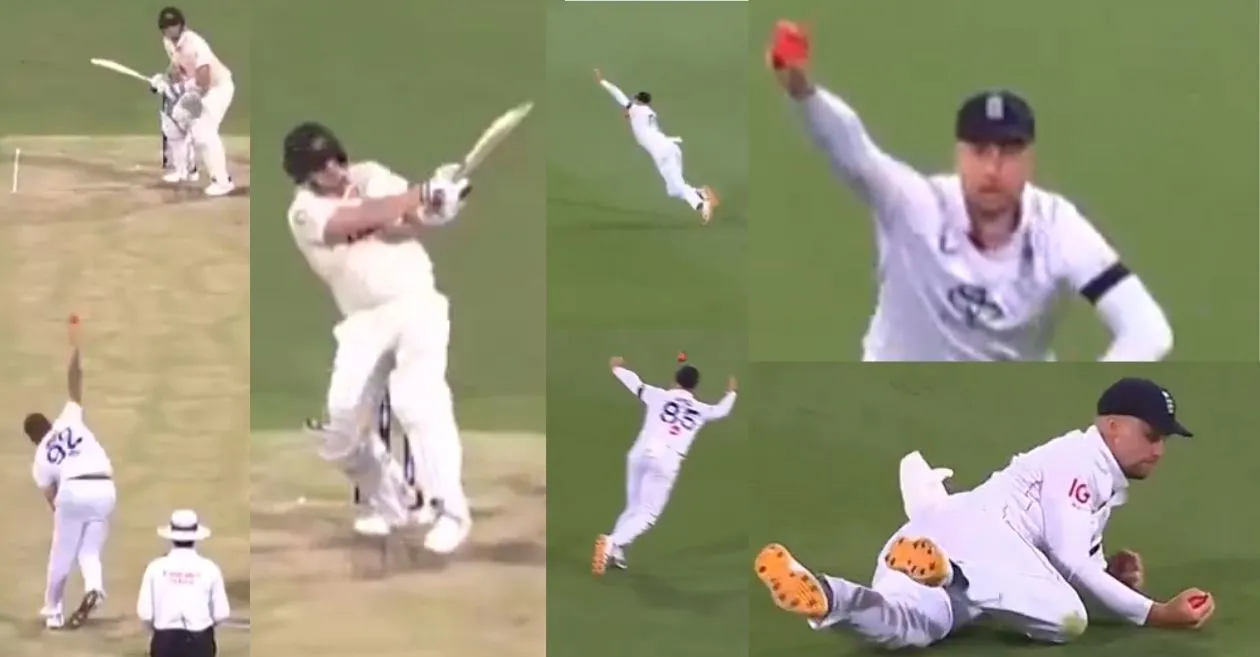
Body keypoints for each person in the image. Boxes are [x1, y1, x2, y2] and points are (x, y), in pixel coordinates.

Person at [766, 21, 1172, 361]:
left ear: (1030, 160)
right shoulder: (913, 205)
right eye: (979, 151)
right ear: (958, 155)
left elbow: (1148, 330)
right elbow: (853, 152)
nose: (992, 169)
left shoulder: (1058, 228)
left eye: (1009, 151)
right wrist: (803, 93)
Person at [754, 377, 1216, 648]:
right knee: (1066, 620)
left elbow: (1065, 558)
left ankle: (829, 595)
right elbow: (1071, 564)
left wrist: (1110, 573)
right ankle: (952, 574)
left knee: (911, 624)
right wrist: (1156, 613)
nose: (1159, 450)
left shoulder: (1090, 471)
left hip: (930, 536)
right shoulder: (1081, 464)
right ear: (1113, 427)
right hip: (978, 542)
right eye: (1152, 436)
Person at [284, 121, 474, 554]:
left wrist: (437, 208)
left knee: (417, 402)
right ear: (304, 173)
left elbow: (406, 224)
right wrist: (422, 193)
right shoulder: (303, 212)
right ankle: (396, 502)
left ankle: (451, 513)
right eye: (322, 166)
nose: (335, 170)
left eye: (337, 158)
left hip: (415, 302)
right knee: (341, 431)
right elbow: (354, 221)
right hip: (362, 322)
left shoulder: (370, 175)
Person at [592, 354, 737, 574]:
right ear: (694, 387)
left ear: (675, 380)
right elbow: (721, 411)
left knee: (633, 507)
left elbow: (636, 384)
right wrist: (731, 392)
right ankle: (612, 542)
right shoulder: (701, 409)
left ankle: (615, 551)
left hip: (639, 454)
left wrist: (617, 369)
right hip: (665, 461)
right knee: (647, 515)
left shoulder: (658, 395)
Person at [27, 316, 114, 630]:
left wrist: (66, 517)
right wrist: (75, 348)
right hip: (105, 487)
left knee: (61, 554)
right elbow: (75, 384)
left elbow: (52, 499)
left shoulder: (40, 457)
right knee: (90, 552)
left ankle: (53, 612)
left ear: (33, 438)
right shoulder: (68, 420)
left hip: (73, 491)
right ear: (49, 424)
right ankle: (95, 588)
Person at [594, 69, 719, 224]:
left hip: (663, 152)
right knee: (673, 189)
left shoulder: (635, 108)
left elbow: (618, 94)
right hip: (670, 149)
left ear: (638, 101)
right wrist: (630, 114)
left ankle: (701, 205)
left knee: (677, 184)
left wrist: (602, 81)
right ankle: (701, 192)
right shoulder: (649, 113)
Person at [149, 6, 236, 196]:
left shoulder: (196, 44)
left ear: (181, 25)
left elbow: (204, 82)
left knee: (203, 130)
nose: (170, 29)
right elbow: (178, 69)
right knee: (176, 119)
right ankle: (186, 171)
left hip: (217, 89)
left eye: (173, 25)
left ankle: (223, 182)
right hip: (198, 90)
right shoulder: (168, 42)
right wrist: (163, 80)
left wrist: (176, 89)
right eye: (166, 26)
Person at [137, 509, 229, 657]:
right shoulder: (209, 568)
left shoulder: (155, 568)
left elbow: (145, 614)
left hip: (165, 640)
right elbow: (221, 614)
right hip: (200, 640)